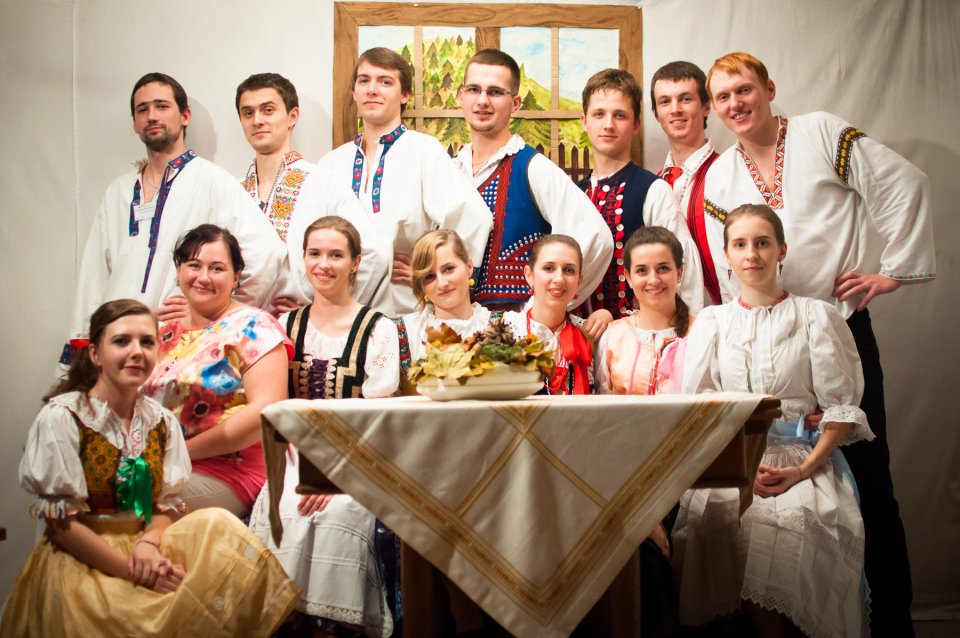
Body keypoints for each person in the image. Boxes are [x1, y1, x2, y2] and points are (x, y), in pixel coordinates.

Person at [703, 51, 935, 636]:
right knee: (778, 493)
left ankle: (890, 626)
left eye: (744, 89)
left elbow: (904, 182)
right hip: (769, 343)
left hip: (835, 330)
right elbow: (731, 266)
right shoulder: (721, 176)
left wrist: (893, 272)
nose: (736, 103)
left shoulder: (820, 133)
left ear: (769, 88)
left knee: (869, 481)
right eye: (723, 96)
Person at [3, 299, 298, 637]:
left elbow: (164, 503)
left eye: (146, 342)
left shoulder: (159, 421)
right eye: (121, 341)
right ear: (95, 353)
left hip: (142, 546)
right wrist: (134, 571)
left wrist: (150, 543)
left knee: (216, 526)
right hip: (83, 559)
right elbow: (61, 528)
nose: (136, 352)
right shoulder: (63, 418)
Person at [675, 204, 873, 638]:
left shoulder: (814, 316)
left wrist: (803, 469)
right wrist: (738, 461)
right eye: (740, 244)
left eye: (763, 243)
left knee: (778, 531)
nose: (752, 254)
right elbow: (700, 406)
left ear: (781, 250)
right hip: (732, 462)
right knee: (723, 527)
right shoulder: (713, 322)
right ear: (727, 255)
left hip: (802, 460)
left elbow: (840, 409)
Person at [62, 72, 286, 367]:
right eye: (142, 109)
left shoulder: (212, 181)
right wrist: (80, 352)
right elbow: (94, 276)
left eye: (162, 106)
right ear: (134, 124)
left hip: (177, 349)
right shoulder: (119, 191)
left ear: (185, 116)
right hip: (115, 349)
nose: (152, 116)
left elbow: (268, 253)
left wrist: (216, 312)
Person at [249, 216, 398, 637]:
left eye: (336, 255)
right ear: (303, 258)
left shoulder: (378, 328)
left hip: (358, 456)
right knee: (285, 508)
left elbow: (378, 419)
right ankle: (286, 621)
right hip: (293, 453)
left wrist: (335, 473)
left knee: (340, 511)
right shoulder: (284, 325)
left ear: (355, 262)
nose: (324, 264)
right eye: (315, 254)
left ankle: (331, 627)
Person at [317, 47, 492, 316]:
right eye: (364, 81)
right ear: (354, 92)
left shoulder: (423, 151)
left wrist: (432, 272)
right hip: (340, 312)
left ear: (405, 95)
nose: (372, 89)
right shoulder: (331, 164)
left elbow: (473, 218)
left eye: (385, 82)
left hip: (404, 310)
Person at [142, 225, 291, 517]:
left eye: (217, 268)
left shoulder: (254, 326)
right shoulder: (165, 332)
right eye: (194, 265)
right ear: (178, 270)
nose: (203, 277)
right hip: (159, 463)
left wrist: (180, 453)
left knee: (130, 501)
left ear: (236, 277)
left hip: (228, 471)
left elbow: (266, 412)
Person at [454, 49, 612, 313]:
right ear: (461, 96)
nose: (482, 100)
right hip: (452, 324)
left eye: (495, 92)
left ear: (515, 103)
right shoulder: (450, 170)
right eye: (473, 89)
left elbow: (596, 238)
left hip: (517, 330)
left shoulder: (533, 168)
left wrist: (544, 308)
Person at [235, 72, 387, 312]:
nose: (257, 120)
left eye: (268, 110)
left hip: (303, 326)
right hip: (242, 323)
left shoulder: (322, 181)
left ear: (292, 116)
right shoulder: (234, 192)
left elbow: (374, 253)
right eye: (248, 113)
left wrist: (327, 309)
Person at [577, 69, 703, 327]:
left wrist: (686, 337)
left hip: (642, 337)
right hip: (578, 337)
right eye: (599, 114)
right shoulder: (574, 194)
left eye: (619, 115)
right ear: (584, 121)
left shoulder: (654, 190)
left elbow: (684, 274)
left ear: (636, 125)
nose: (608, 124)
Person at [650, 61, 722, 307]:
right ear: (656, 115)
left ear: (706, 106)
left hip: (722, 314)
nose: (675, 110)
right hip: (666, 317)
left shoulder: (729, 172)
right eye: (665, 102)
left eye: (685, 99)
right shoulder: (653, 185)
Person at [595, 226, 693, 396]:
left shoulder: (701, 333)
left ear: (679, 273)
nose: (653, 280)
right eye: (642, 270)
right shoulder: (612, 337)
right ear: (628, 277)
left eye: (663, 268)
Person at [397, 229, 500, 374]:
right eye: (429, 276)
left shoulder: (507, 324)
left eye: (449, 269)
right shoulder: (405, 331)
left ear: (469, 267)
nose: (442, 283)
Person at [501, 235, 592, 395]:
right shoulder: (505, 329)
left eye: (569, 270)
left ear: (579, 280)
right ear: (529, 275)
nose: (559, 279)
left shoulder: (589, 331)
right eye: (549, 268)